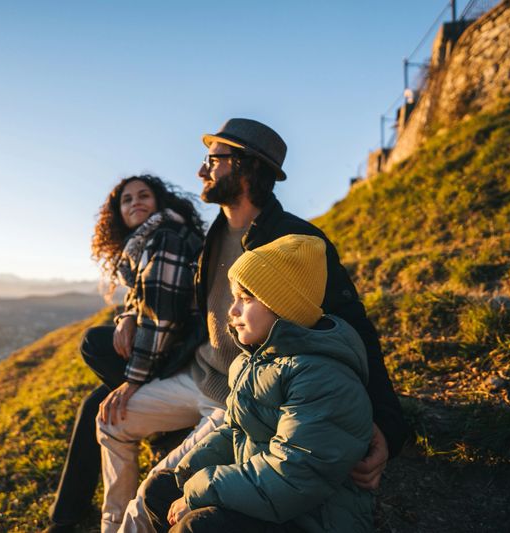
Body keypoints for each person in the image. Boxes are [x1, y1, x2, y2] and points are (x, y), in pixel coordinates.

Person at [97, 119, 408, 533]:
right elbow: (181, 305)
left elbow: (351, 330)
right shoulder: (215, 233)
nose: (201, 171)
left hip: (238, 395)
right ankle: (108, 520)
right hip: (198, 373)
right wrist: (133, 325)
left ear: (245, 167)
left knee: (147, 507)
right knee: (109, 420)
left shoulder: (295, 241)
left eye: (213, 159)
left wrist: (387, 426)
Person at [144, 234, 374, 532]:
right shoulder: (253, 360)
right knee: (160, 490)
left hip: (312, 517)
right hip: (263, 492)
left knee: (200, 526)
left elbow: (293, 474)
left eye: (246, 298)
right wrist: (188, 474)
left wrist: (199, 490)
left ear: (283, 306)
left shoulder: (322, 377)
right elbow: (235, 430)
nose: (232, 310)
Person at [43, 175, 206, 533]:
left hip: (185, 359)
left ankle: (73, 519)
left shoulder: (166, 237)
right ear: (118, 214)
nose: (135, 203)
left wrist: (132, 383)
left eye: (144, 195)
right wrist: (128, 315)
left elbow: (163, 318)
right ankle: (66, 518)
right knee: (95, 405)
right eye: (127, 199)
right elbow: (145, 304)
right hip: (171, 354)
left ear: (159, 202)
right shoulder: (144, 243)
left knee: (94, 343)